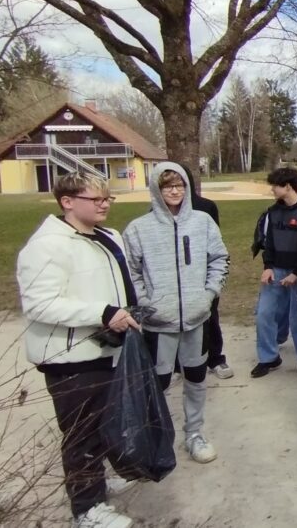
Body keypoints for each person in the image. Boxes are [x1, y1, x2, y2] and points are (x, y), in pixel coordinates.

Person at [16, 172, 140, 528]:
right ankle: (87, 508)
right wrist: (101, 314)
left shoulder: (108, 236)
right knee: (80, 433)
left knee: (104, 423)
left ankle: (96, 481)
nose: (104, 204)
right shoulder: (47, 246)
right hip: (71, 357)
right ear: (67, 202)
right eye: (95, 198)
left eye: (107, 198)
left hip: (108, 348)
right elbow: (39, 305)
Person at [123, 162, 229, 464]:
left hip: (196, 318)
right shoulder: (138, 229)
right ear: (156, 188)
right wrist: (146, 303)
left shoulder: (203, 222)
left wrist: (208, 295)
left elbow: (220, 259)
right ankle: (156, 437)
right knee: (158, 383)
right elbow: (130, 272)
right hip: (158, 323)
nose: (174, 190)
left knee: (196, 378)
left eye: (179, 185)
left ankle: (194, 433)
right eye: (168, 185)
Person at [251, 167, 297, 378]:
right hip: (276, 270)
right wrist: (268, 267)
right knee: (264, 313)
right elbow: (268, 242)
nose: (272, 189)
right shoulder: (273, 212)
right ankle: (268, 357)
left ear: (288, 187)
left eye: (275, 185)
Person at [178, 166, 235, 381]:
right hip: (175, 276)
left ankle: (215, 358)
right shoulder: (155, 212)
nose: (175, 190)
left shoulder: (205, 207)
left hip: (201, 273)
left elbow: (214, 243)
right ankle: (176, 365)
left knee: (210, 317)